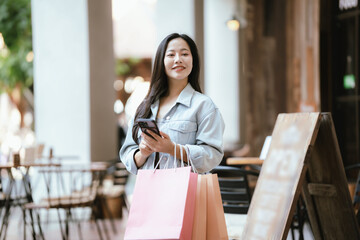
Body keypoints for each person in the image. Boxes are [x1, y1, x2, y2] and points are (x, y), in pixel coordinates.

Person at [120, 33, 224, 174]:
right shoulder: (145, 106)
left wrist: (172, 148)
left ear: (193, 60)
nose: (178, 60)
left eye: (184, 54)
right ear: (161, 61)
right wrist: (143, 153)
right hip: (151, 192)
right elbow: (127, 156)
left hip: (189, 192)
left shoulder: (204, 106)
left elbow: (212, 155)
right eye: (171, 55)